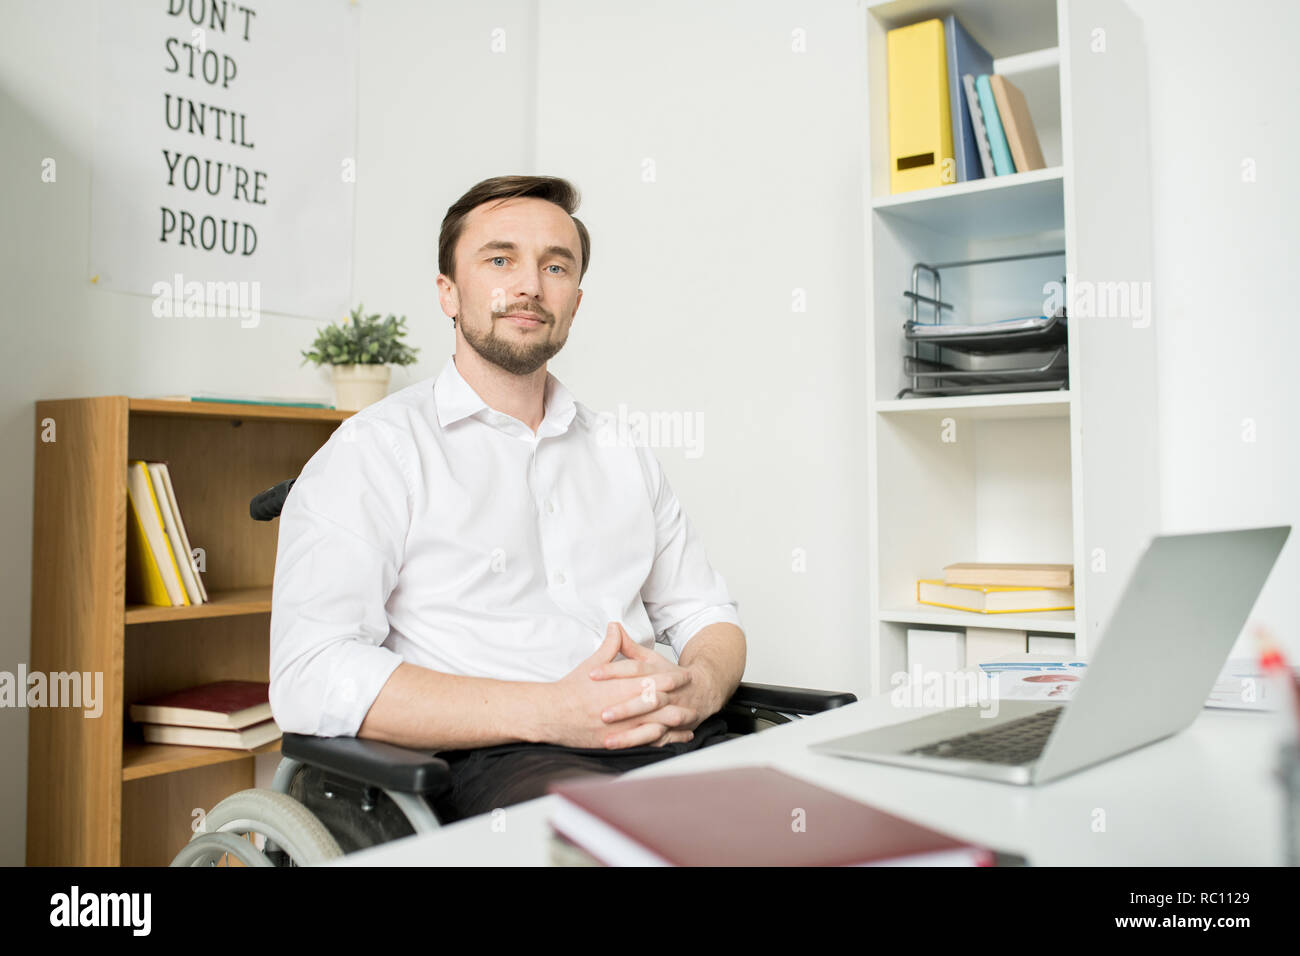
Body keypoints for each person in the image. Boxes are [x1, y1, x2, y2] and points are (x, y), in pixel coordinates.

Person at [269, 175, 746, 821]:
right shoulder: (374, 451)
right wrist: (553, 712)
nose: (529, 285)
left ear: (574, 301)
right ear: (448, 292)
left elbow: (704, 610)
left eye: (555, 266)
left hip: (669, 736)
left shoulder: (620, 449)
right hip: (500, 761)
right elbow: (312, 674)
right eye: (500, 260)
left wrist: (700, 688)